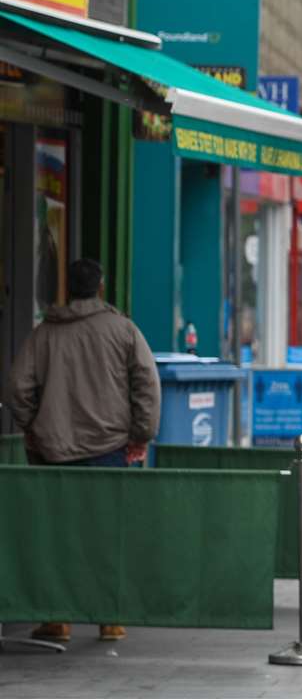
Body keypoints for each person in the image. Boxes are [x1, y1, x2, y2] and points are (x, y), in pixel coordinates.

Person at [6, 258, 159, 644]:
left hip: (52, 450)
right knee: (106, 533)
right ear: (101, 287)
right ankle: (109, 619)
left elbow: (16, 387)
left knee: (57, 534)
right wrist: (141, 433)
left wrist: (34, 426)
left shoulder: (43, 335)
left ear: (67, 290)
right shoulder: (123, 330)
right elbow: (146, 384)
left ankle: (58, 619)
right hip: (108, 447)